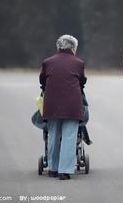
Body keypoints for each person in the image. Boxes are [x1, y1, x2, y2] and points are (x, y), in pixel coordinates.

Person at [39, 34, 87, 180]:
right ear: (73, 48)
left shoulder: (47, 62)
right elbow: (82, 81)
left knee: (53, 135)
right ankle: (64, 171)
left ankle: (53, 168)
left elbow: (42, 81)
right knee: (69, 137)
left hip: (52, 104)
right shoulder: (78, 63)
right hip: (72, 105)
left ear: (58, 46)